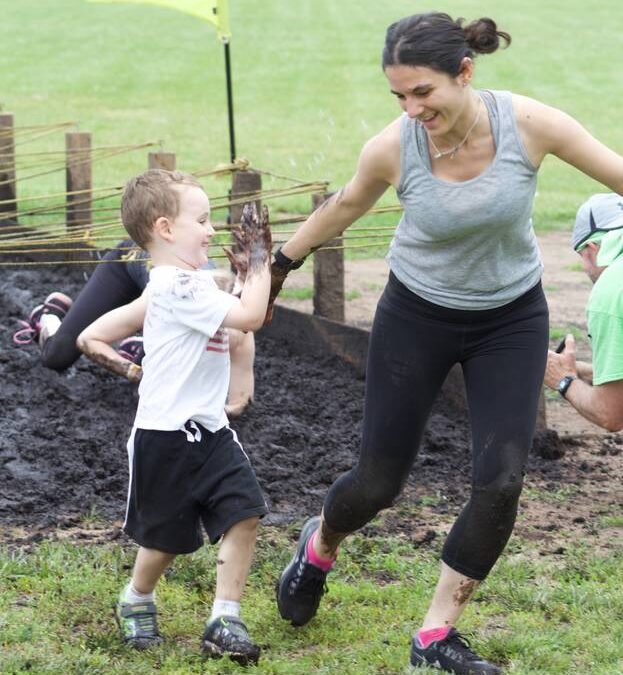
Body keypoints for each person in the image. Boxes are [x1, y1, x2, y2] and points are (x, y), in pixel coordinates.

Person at [267, 12, 623, 675]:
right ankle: (318, 546)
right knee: (377, 481)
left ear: (465, 72)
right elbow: (342, 207)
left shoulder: (529, 125)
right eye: (398, 96)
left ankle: (433, 636)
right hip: (415, 315)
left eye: (422, 92)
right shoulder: (392, 146)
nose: (410, 108)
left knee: (500, 480)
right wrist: (277, 267)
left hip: (509, 319)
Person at [77, 169, 271, 664]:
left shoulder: (182, 286)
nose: (211, 230)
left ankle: (225, 617)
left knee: (244, 511)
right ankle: (137, 596)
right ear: (165, 228)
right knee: (166, 539)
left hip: (210, 429)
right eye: (202, 220)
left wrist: (128, 366)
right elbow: (249, 317)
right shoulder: (176, 288)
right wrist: (260, 259)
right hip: (164, 437)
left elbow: (91, 336)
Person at [13, 237, 256, 417]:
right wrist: (138, 373)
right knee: (56, 356)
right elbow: (89, 339)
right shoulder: (168, 295)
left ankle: (141, 347)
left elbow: (239, 406)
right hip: (129, 262)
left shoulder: (240, 332)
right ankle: (50, 315)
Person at [544, 193, 623, 431]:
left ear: (591, 248)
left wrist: (563, 380)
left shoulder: (612, 287)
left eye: (582, 257)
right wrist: (582, 370)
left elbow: (611, 414)